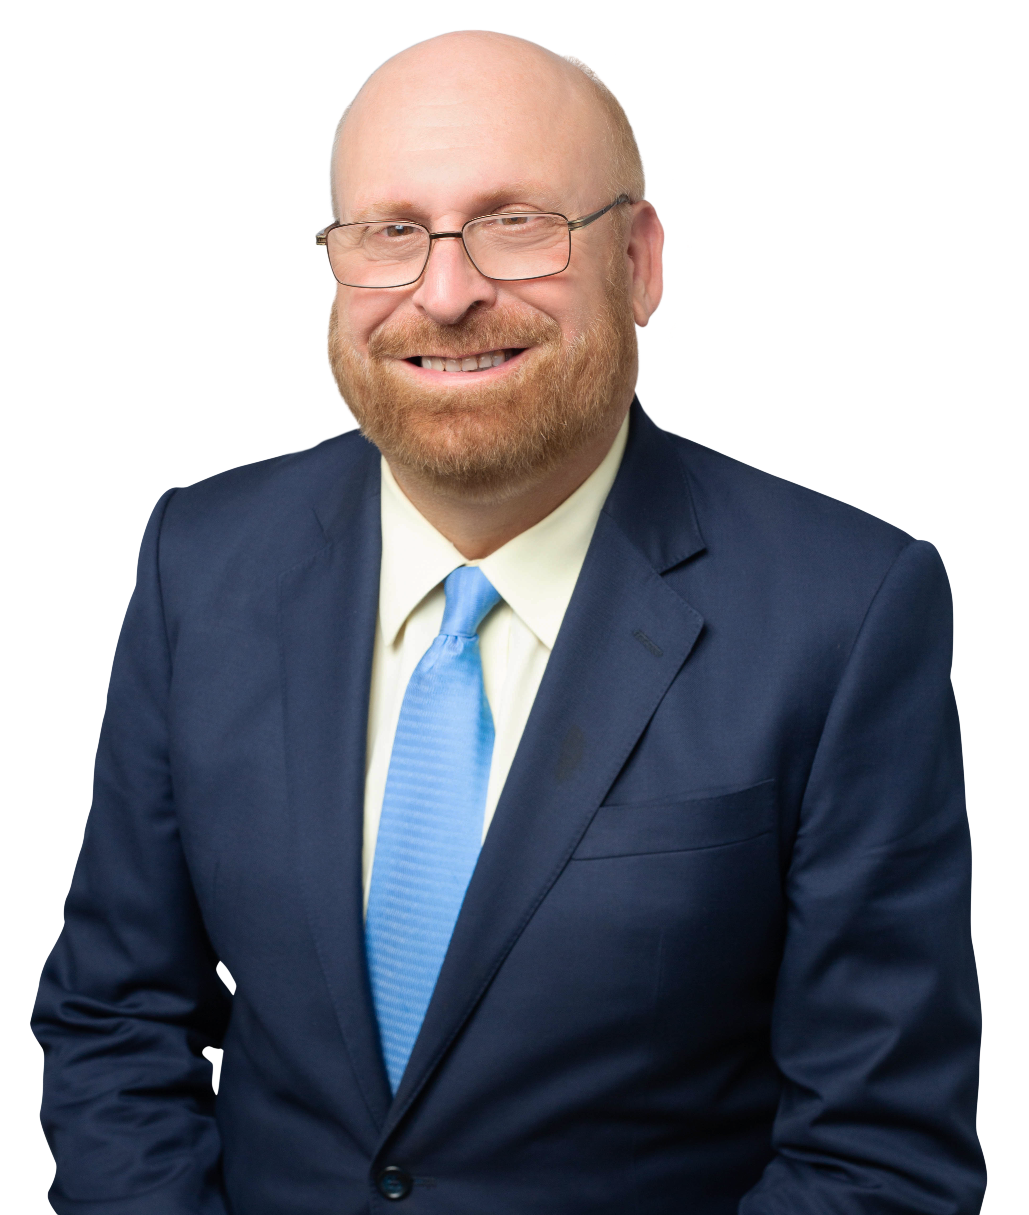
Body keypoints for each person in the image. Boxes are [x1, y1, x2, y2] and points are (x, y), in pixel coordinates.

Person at [31, 28, 986, 1215]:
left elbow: (880, 1157)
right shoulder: (199, 557)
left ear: (638, 262)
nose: (446, 293)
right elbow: (116, 1020)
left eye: (515, 222)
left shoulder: (848, 611)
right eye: (391, 231)